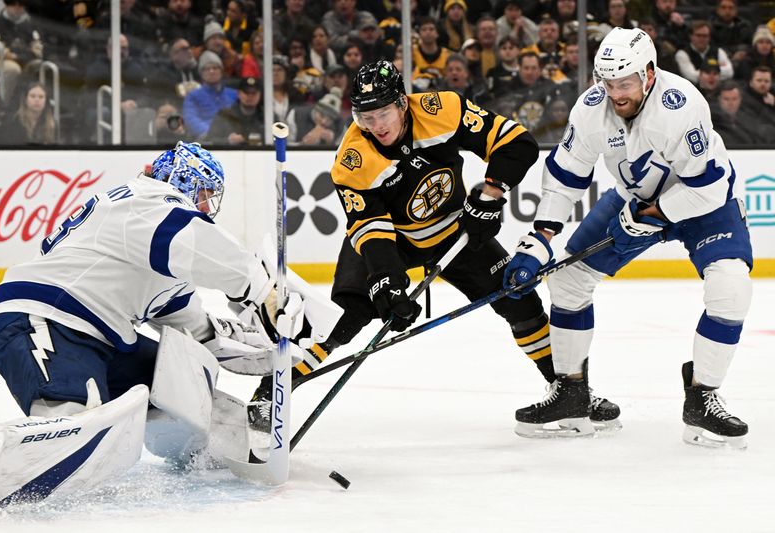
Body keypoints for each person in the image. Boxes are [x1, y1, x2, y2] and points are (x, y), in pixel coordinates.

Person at [246, 60, 620, 433]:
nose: (376, 127)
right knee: (345, 319)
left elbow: (516, 143)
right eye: (365, 118)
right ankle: (272, 390)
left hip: (455, 232)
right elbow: (371, 230)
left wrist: (490, 195)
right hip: (393, 241)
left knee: (518, 298)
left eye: (382, 114)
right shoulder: (353, 161)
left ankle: (568, 392)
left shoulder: (444, 111)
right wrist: (386, 282)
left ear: (402, 103)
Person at [0, 142, 340, 518]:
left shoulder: (163, 254)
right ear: (182, 180)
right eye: (203, 194)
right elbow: (197, 243)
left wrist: (271, 351)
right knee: (78, 426)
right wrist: (263, 290)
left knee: (186, 381)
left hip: (100, 340)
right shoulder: (142, 199)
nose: (205, 205)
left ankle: (238, 448)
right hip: (43, 320)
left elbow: (200, 336)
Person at [506, 28, 752, 448]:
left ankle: (702, 397)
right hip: (635, 199)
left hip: (702, 205)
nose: (615, 93)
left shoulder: (681, 104)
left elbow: (707, 187)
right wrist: (539, 238)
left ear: (649, 74)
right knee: (567, 281)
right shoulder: (591, 109)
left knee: (731, 287)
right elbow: (565, 178)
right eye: (607, 83)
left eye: (624, 83)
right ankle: (571, 392)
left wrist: (652, 216)